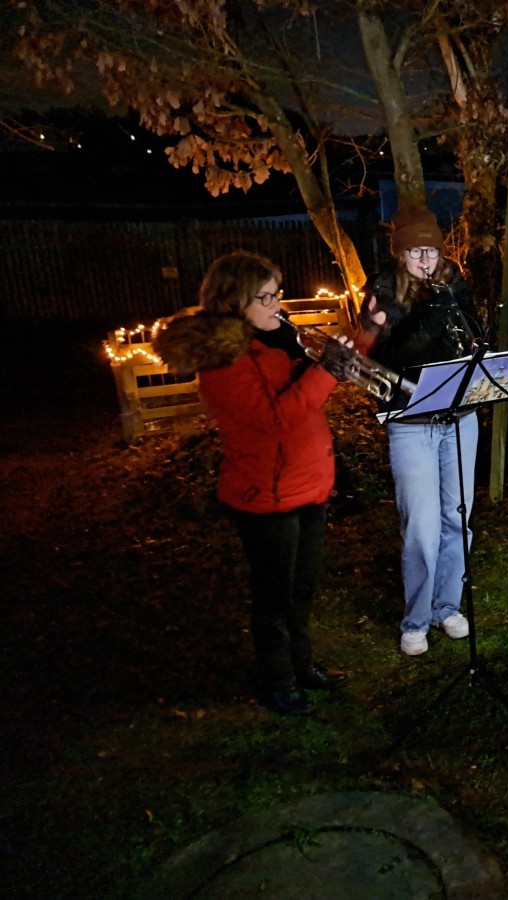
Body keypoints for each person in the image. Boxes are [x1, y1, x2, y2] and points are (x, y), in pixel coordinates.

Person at [153, 251, 349, 716]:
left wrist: (345, 351)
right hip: (266, 496)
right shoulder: (224, 361)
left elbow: (303, 394)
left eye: (277, 293)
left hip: (308, 485)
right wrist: (327, 371)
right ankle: (279, 680)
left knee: (302, 589)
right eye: (265, 296)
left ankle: (303, 667)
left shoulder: (280, 339)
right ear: (234, 302)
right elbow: (276, 419)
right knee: (274, 598)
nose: (277, 305)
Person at [357, 208, 481, 658]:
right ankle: (416, 618)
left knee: (457, 519)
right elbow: (390, 356)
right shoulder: (382, 290)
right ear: (401, 253)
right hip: (410, 422)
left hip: (458, 415)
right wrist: (433, 315)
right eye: (415, 251)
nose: (425, 259)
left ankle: (446, 606)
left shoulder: (452, 280)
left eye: (431, 250)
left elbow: (473, 335)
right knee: (422, 528)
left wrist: (458, 313)